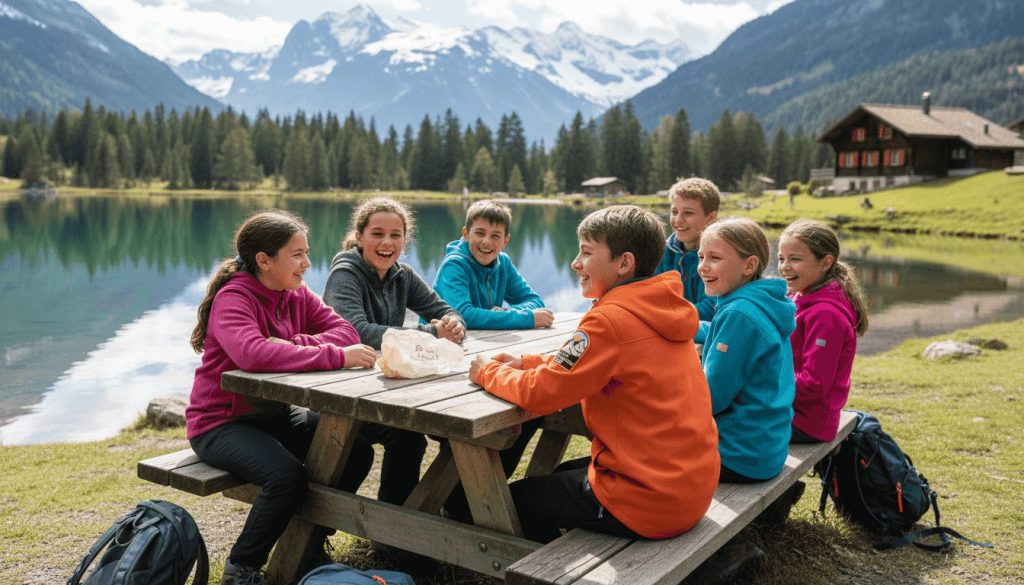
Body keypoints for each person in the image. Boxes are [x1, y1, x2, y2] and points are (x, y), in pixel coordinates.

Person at [468, 205, 719, 543]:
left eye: (586, 252)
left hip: (649, 503)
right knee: (559, 476)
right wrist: (527, 362)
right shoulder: (662, 307)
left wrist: (488, 372)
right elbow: (582, 365)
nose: (575, 263)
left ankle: (542, 571)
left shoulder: (609, 320)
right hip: (690, 487)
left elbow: (541, 394)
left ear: (624, 263)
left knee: (507, 501)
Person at [186, 210, 376, 585]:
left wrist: (292, 343)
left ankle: (308, 544)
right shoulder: (234, 298)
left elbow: (346, 329)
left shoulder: (295, 294)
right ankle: (240, 569)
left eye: (306, 253)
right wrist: (333, 355)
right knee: (286, 477)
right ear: (264, 260)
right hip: (220, 423)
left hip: (273, 416)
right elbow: (252, 354)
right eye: (298, 255)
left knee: (355, 449)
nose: (307, 264)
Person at [322, 197, 465, 510]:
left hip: (383, 387)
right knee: (407, 436)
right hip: (338, 392)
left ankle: (398, 521)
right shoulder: (345, 273)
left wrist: (454, 324)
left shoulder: (403, 275)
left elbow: (442, 308)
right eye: (377, 233)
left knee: (417, 436)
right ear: (359, 237)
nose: (387, 242)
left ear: (405, 240)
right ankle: (395, 526)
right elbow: (356, 331)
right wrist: (430, 333)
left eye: (396, 235)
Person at [691, 217, 796, 582]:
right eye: (701, 256)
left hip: (738, 453)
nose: (703, 266)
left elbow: (710, 399)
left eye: (715, 258)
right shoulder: (757, 302)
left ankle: (724, 554)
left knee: (639, 438)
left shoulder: (738, 312)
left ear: (749, 265)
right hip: (765, 445)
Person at [778, 219, 868, 443]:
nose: (784, 266)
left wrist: (764, 380)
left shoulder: (826, 315)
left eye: (795, 259)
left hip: (807, 423)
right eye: (781, 258)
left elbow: (814, 385)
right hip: (791, 410)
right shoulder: (799, 295)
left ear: (825, 262)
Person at [433, 199, 553, 330]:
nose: (486, 241)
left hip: (477, 341)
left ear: (505, 240)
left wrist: (504, 314)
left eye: (495, 236)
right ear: (466, 234)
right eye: (480, 233)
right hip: (434, 343)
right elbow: (462, 315)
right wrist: (526, 318)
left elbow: (534, 301)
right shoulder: (454, 265)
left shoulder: (503, 263)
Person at [655, 177, 720, 320]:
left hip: (703, 335)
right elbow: (649, 297)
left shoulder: (719, 256)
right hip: (671, 328)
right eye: (674, 212)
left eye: (688, 213)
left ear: (711, 218)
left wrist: (666, 316)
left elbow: (712, 308)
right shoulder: (660, 252)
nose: (678, 220)